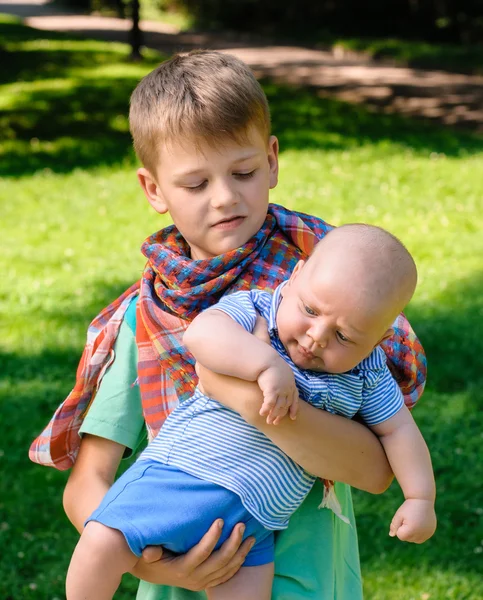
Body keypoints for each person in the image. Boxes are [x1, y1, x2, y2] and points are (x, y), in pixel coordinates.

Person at [29, 50, 427, 600]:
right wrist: (154, 568)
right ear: (154, 190)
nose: (224, 198)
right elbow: (87, 484)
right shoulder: (145, 320)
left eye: (242, 172)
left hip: (310, 579)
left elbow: (377, 471)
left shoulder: (326, 305)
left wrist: (239, 397)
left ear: (271, 160)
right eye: (195, 184)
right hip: (182, 583)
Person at [65, 224, 436, 600]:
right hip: (183, 479)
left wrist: (420, 497)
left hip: (255, 523)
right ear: (294, 277)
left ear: (381, 338)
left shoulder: (368, 373)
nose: (316, 337)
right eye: (309, 310)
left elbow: (399, 432)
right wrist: (265, 364)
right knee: (104, 539)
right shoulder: (259, 308)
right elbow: (202, 335)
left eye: (344, 336)